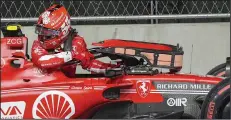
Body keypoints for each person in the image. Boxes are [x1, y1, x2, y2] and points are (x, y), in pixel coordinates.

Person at [31, 4, 120, 77]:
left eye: (47, 33)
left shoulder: (77, 42)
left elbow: (89, 64)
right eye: (41, 31)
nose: (43, 36)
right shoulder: (38, 44)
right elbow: (41, 61)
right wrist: (71, 54)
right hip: (40, 83)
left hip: (65, 88)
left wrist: (112, 69)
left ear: (63, 30)